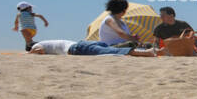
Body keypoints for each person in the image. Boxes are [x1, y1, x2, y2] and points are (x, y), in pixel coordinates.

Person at [27, 38, 162, 56]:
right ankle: (146, 50)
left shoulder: (38, 44)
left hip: (77, 48)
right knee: (109, 49)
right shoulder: (47, 41)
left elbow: (39, 51)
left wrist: (28, 54)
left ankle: (146, 52)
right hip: (81, 44)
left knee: (110, 51)